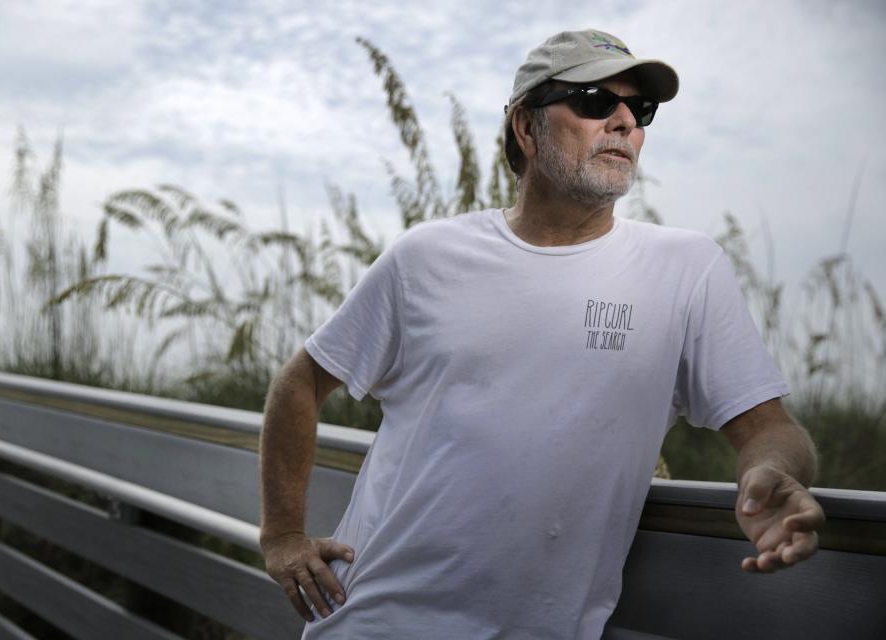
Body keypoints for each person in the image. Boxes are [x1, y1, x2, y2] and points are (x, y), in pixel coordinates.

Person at [259, 29, 825, 639]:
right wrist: (283, 535)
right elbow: (301, 382)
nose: (623, 122)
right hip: (373, 620)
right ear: (525, 128)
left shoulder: (687, 270)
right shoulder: (426, 256)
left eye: (641, 110)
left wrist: (772, 475)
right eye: (592, 100)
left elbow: (770, 429)